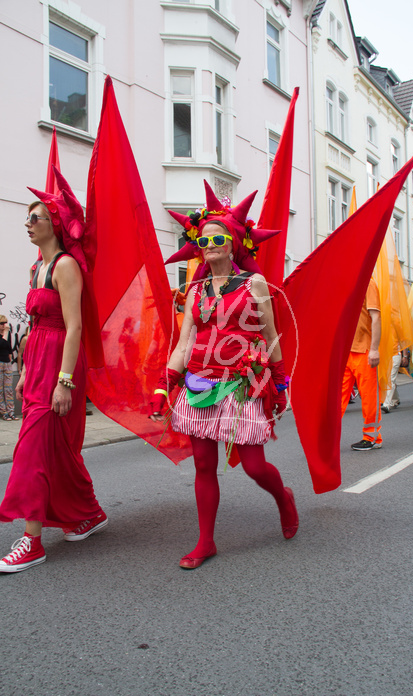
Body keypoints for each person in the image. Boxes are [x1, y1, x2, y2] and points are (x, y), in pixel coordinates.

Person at [149, 183, 298, 569]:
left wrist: (280, 382)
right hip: (200, 383)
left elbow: (270, 335)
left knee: (253, 466)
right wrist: (165, 384)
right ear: (197, 244)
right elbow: (183, 342)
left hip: (242, 384)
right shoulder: (194, 290)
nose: (210, 243)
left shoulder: (254, 284)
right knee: (202, 465)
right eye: (204, 237)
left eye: (219, 237)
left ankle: (283, 497)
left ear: (233, 244)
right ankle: (205, 541)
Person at [0, 173, 107, 573]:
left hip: (62, 358)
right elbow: (31, 324)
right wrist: (27, 368)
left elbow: (75, 326)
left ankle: (31, 541)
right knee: (57, 447)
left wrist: (64, 381)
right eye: (27, 217)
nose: (28, 223)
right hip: (39, 359)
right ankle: (90, 512)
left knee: (32, 448)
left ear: (54, 225)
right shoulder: (35, 267)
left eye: (36, 217)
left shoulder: (65, 266)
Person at [341, 278, 382, 450]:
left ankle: (372, 437)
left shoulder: (368, 283)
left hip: (363, 351)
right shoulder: (345, 284)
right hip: (345, 352)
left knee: (369, 397)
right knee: (337, 398)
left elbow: (376, 317)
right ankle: (327, 437)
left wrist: (374, 349)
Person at [0, 315, 17, 421]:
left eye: (5, 323)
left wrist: (10, 360)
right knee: (0, 389)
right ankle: (4, 411)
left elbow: (9, 348)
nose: (4, 325)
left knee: (8, 389)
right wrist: (5, 333)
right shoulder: (5, 334)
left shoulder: (8, 334)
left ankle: (11, 411)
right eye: (2, 323)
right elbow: (1, 345)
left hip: (7, 363)